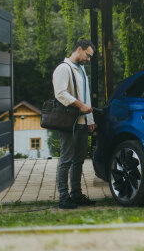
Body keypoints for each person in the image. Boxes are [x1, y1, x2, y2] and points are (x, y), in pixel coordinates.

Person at [52, 38, 96, 209]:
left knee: (79, 160)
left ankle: (76, 194)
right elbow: (60, 94)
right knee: (66, 160)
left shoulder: (82, 70)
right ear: (79, 49)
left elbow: (86, 95)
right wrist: (80, 105)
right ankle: (64, 197)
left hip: (83, 122)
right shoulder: (63, 69)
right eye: (88, 55)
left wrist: (90, 120)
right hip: (68, 122)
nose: (88, 59)